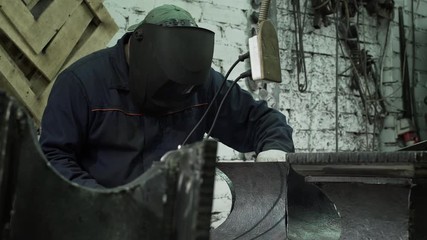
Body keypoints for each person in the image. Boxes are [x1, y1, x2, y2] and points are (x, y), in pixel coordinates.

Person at [39, 4, 294, 188]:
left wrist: (274, 151)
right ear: (137, 48)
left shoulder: (200, 84)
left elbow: (261, 120)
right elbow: (54, 159)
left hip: (172, 221)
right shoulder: (81, 84)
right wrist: (105, 203)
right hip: (98, 221)